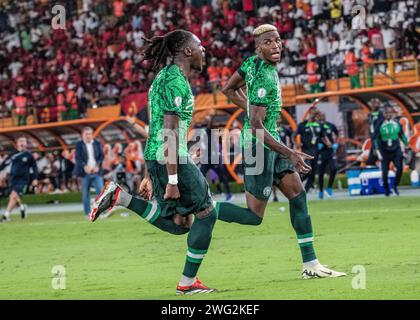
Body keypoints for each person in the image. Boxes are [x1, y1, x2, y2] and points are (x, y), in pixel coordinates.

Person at [90, 30, 219, 295]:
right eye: (199, 45)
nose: (203, 49)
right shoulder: (175, 81)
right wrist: (172, 178)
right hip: (170, 157)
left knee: (179, 223)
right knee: (207, 213)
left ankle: (121, 198)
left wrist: (153, 172)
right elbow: (169, 131)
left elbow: (157, 126)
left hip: (161, 155)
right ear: (186, 51)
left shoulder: (163, 78)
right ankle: (187, 284)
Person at [222, 24, 346, 279]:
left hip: (271, 139)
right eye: (268, 42)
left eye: (278, 40)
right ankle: (203, 208)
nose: (276, 45)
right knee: (254, 216)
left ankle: (311, 265)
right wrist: (290, 152)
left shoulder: (251, 63)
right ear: (259, 47)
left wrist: (249, 109)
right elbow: (256, 127)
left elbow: (228, 89)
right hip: (256, 146)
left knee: (298, 195)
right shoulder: (264, 77)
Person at [0, 136, 38, 222]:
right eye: (20, 141)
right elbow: (4, 164)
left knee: (13, 196)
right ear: (17, 144)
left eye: (24, 141)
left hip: (23, 179)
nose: (22, 143)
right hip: (12, 178)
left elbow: (34, 167)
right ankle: (22, 206)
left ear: (26, 144)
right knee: (13, 196)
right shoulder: (12, 154)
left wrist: (35, 178)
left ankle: (6, 216)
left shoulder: (29, 155)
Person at [373, 106, 409, 196]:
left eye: (390, 113)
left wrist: (406, 144)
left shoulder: (397, 123)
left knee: (399, 168)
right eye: (386, 113)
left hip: (396, 149)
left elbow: (401, 135)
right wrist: (377, 150)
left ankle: (395, 186)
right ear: (384, 114)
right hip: (385, 151)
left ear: (392, 114)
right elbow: (375, 138)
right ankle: (386, 190)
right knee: (385, 172)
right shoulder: (379, 124)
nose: (388, 115)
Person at [73, 127, 105, 217]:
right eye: (86, 134)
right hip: (84, 173)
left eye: (90, 134)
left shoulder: (97, 143)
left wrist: (98, 166)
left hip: (96, 172)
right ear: (82, 135)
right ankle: (87, 213)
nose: (88, 136)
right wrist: (84, 166)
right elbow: (77, 158)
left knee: (101, 192)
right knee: (85, 193)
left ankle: (102, 211)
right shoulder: (79, 145)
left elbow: (101, 157)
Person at [293, 107, 323, 193]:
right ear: (310, 114)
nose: (315, 116)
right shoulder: (302, 125)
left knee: (313, 175)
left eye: (316, 114)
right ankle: (297, 185)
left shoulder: (319, 125)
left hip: (316, 153)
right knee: (308, 171)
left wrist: (328, 143)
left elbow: (323, 136)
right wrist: (296, 143)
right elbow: (294, 135)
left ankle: (304, 192)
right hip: (306, 153)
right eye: (314, 113)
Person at [317, 112, 339, 199]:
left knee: (334, 168)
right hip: (321, 151)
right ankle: (321, 190)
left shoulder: (330, 125)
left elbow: (337, 134)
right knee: (321, 172)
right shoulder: (317, 126)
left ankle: (329, 187)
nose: (322, 118)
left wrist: (335, 143)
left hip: (330, 151)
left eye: (323, 116)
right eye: (320, 117)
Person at [366, 98, 384, 165]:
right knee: (373, 153)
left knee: (379, 152)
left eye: (376, 103)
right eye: (373, 104)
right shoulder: (370, 115)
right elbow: (370, 126)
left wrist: (376, 134)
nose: (374, 105)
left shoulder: (381, 114)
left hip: (379, 137)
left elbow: (379, 125)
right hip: (373, 137)